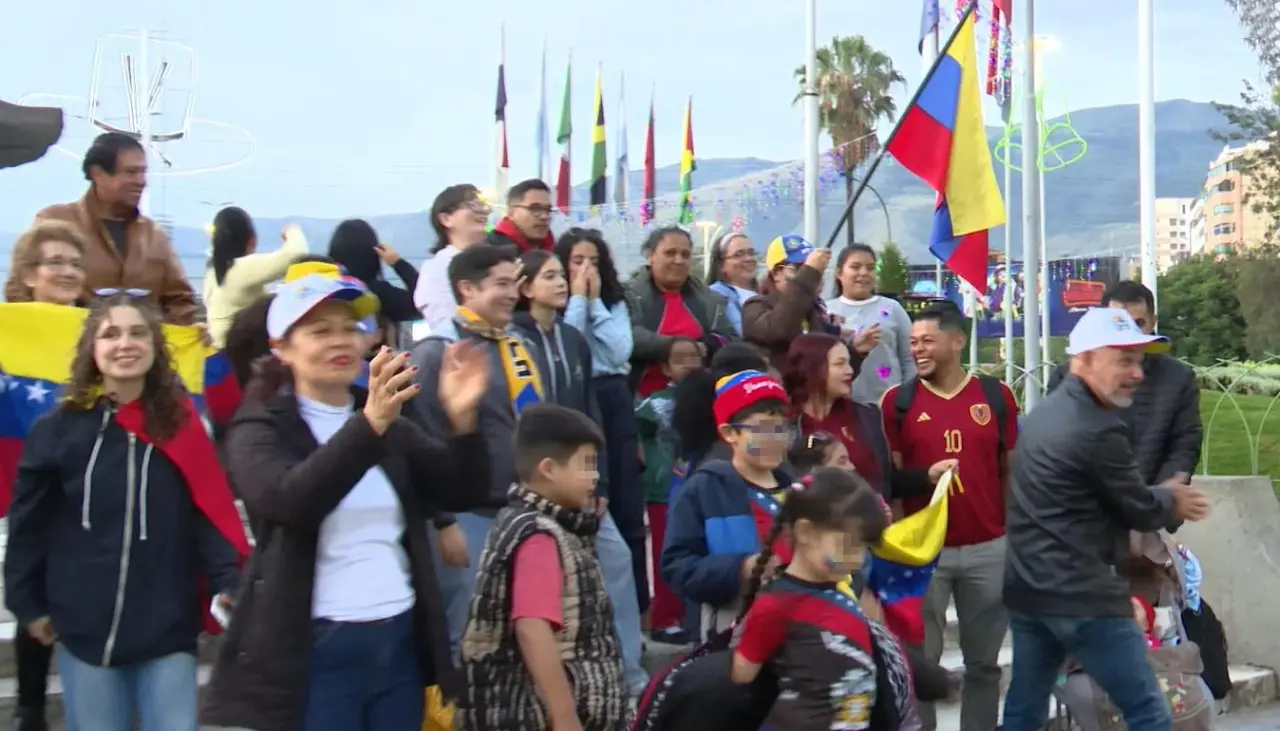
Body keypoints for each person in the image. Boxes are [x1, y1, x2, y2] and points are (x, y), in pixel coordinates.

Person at [198, 265, 493, 731]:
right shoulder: (260, 427)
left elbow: (462, 490)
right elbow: (293, 501)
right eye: (319, 331)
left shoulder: (384, 422)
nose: (340, 342)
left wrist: (462, 423)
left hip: (398, 639)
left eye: (349, 329)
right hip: (314, 647)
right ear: (282, 348)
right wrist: (370, 424)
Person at [4, 293, 247, 731]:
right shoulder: (57, 430)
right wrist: (26, 603)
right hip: (86, 629)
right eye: (110, 333)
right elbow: (28, 527)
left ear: (155, 347)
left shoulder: (182, 426)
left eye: (138, 332)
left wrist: (228, 580)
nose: (125, 343)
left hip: (168, 627)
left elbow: (207, 515)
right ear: (92, 350)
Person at [1001, 306, 1213, 731]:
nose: (1137, 373)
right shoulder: (1097, 427)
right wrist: (1172, 499)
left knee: (1024, 710)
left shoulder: (1044, 412)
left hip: (1029, 589)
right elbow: (1134, 504)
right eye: (1124, 360)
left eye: (1139, 361)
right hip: (1082, 595)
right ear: (1083, 360)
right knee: (1148, 710)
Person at [511, 249, 649, 696]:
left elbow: (591, 413)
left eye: (561, 275)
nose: (560, 282)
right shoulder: (514, 341)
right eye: (549, 275)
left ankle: (629, 674)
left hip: (583, 482)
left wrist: (600, 479)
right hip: (537, 484)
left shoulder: (573, 339)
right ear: (526, 287)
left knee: (617, 561)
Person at [879, 304, 1018, 731]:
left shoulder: (996, 396)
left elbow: (1010, 469)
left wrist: (1013, 535)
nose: (917, 350)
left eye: (927, 341)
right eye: (913, 342)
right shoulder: (896, 402)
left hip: (989, 548)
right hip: (923, 555)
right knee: (920, 662)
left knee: (984, 664)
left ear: (957, 342)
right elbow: (893, 478)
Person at [456, 404, 628, 731]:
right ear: (548, 469)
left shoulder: (540, 524)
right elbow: (532, 628)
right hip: (540, 715)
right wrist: (563, 715)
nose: (595, 478)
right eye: (587, 466)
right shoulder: (539, 536)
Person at [408, 244, 532, 656]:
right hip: (467, 514)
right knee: (467, 630)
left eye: (515, 284)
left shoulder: (516, 347)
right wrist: (444, 522)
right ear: (466, 288)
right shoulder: (437, 352)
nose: (513, 294)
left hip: (519, 506)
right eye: (501, 284)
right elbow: (424, 441)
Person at [730, 468, 920, 731]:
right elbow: (742, 673)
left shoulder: (843, 591)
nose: (856, 559)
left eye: (862, 548)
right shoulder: (776, 604)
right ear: (805, 532)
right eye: (848, 546)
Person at [2, 220, 91, 731]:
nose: (67, 271)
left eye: (75, 264)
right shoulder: (6, 329)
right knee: (29, 589)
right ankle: (30, 707)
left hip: (87, 482)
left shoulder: (102, 330)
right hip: (27, 484)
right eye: (55, 262)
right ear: (29, 274)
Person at [10, 132, 197, 324]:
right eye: (131, 172)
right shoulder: (55, 221)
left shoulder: (155, 236)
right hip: (64, 347)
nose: (142, 181)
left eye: (143, 172)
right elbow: (18, 288)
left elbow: (180, 302)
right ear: (97, 174)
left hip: (135, 351)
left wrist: (177, 339)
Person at [554, 229, 647, 613]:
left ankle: (637, 605)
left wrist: (594, 303)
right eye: (577, 261)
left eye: (592, 261)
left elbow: (620, 349)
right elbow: (572, 345)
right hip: (577, 394)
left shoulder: (614, 301)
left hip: (613, 394)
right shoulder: (556, 305)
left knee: (625, 496)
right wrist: (577, 299)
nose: (585, 269)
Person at [661, 370, 794, 639]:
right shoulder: (704, 489)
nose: (776, 438)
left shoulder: (800, 491)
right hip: (734, 636)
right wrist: (741, 568)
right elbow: (677, 567)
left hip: (800, 633)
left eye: (782, 428)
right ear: (729, 432)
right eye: (762, 429)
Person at [1047, 280, 1202, 485]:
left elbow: (1185, 444)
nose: (1129, 333)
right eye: (1120, 322)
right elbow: (1059, 449)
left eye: (1137, 323)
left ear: (1153, 321)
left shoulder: (1178, 377)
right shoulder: (1068, 376)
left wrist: (1164, 497)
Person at [635, 336, 703, 644]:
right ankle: (665, 618)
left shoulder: (707, 398)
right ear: (665, 367)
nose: (689, 366)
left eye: (695, 358)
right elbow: (637, 430)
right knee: (667, 550)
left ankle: (688, 616)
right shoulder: (655, 403)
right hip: (663, 488)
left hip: (695, 484)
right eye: (680, 360)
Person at [627, 226, 735, 397]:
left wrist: (705, 346)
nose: (678, 260)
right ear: (651, 256)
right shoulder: (629, 294)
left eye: (685, 255)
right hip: (641, 401)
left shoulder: (710, 298)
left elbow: (730, 338)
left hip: (701, 397)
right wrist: (674, 347)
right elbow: (627, 335)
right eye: (670, 253)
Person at [202, 206, 308, 348]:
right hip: (239, 357)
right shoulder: (238, 269)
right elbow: (296, 254)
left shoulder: (213, 271)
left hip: (219, 356)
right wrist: (292, 230)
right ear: (251, 240)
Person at [825, 244, 916, 405]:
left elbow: (909, 358)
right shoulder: (826, 311)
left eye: (870, 268)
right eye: (855, 267)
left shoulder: (892, 308)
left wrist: (907, 397)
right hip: (841, 406)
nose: (863, 273)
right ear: (839, 273)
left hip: (888, 404)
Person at [742, 235, 845, 370]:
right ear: (775, 274)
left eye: (816, 270)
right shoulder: (755, 306)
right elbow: (781, 329)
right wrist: (809, 273)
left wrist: (856, 351)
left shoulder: (815, 312)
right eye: (797, 268)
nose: (813, 276)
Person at [413, 184, 492, 338]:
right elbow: (443, 322)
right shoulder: (436, 267)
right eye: (472, 204)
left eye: (483, 205)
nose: (482, 210)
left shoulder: (499, 260)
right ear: (446, 219)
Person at [328, 218, 420, 327]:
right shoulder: (381, 294)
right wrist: (398, 263)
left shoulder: (324, 290)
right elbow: (424, 301)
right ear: (373, 253)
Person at [704, 231, 759, 335]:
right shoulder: (715, 296)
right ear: (721, 265)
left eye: (751, 253)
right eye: (739, 254)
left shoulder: (764, 294)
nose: (749, 259)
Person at [486, 179, 557, 253]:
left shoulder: (556, 250)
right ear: (511, 212)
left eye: (548, 209)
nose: (544, 216)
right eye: (535, 208)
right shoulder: (492, 252)